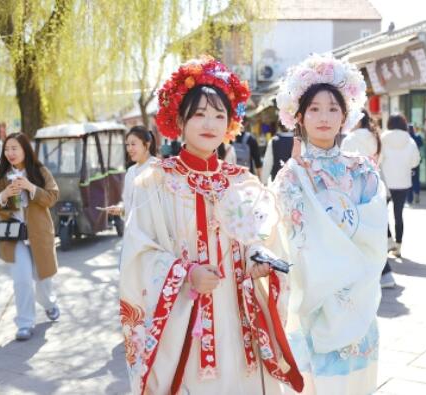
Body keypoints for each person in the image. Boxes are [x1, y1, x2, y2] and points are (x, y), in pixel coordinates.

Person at [119, 56, 303, 395]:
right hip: (185, 317)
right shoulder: (156, 182)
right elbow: (138, 252)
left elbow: (261, 235)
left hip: (239, 315)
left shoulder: (243, 181)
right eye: (200, 113)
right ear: (179, 119)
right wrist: (185, 273)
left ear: (231, 124)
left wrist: (259, 259)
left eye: (220, 115)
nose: (210, 123)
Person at [274, 53, 388, 395]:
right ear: (300, 117)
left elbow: (374, 229)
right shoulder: (290, 176)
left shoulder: (363, 169)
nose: (324, 117)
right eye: (314, 109)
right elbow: (292, 239)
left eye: (333, 108)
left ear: (345, 117)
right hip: (314, 295)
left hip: (358, 290)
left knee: (356, 381)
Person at [0, 133, 60, 341]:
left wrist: (30, 187)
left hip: (39, 234)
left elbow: (52, 197)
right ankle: (25, 322)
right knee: (22, 280)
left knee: (43, 279)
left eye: (14, 148)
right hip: (14, 236)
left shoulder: (40, 171)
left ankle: (49, 304)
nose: (10, 153)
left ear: (25, 150)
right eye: (7, 149)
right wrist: (4, 194)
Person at [341, 109, 395, 288]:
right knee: (375, 231)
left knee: (360, 233)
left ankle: (379, 272)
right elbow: (382, 160)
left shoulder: (350, 139)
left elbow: (343, 166)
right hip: (378, 188)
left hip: (357, 191)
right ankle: (384, 273)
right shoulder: (375, 137)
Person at [380, 114, 420, 259]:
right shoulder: (409, 140)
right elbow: (415, 161)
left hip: (386, 182)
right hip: (403, 182)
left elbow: (377, 158)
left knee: (382, 213)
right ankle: (398, 245)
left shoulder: (383, 138)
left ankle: (389, 240)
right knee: (398, 214)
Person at [105, 126, 158, 220]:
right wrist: (121, 209)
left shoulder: (158, 168)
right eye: (127, 145)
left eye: (133, 144)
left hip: (153, 231)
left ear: (147, 145)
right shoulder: (130, 171)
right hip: (133, 231)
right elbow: (129, 202)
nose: (129, 149)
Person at [406, 124, 424, 204]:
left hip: (407, 162)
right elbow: (421, 144)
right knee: (416, 179)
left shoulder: (406, 139)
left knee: (408, 179)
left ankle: (409, 198)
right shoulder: (417, 137)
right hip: (416, 161)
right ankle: (417, 193)